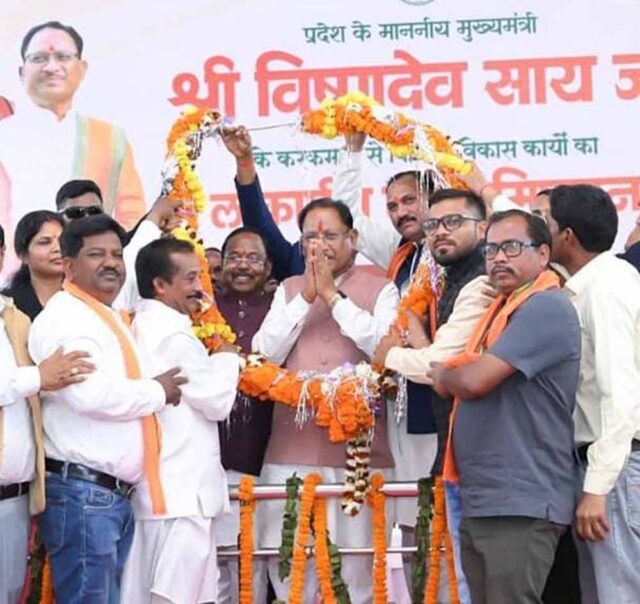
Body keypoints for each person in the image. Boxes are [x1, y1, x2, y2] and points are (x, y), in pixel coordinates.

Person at [28, 215, 187, 602]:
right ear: (69, 266)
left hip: (106, 496)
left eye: (117, 254)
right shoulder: (65, 318)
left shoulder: (104, 314)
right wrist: (157, 391)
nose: (111, 263)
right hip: (84, 495)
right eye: (96, 254)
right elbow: (89, 395)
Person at [430, 210, 581, 604]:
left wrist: (446, 374)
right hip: (486, 495)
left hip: (520, 498)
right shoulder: (499, 310)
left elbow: (474, 380)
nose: (498, 257)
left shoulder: (545, 307)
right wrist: (455, 372)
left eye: (511, 247)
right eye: (491, 249)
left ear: (544, 254)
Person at [253, 197, 399, 602]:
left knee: (356, 571)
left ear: (353, 238)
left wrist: (333, 297)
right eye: (310, 238)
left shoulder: (382, 288)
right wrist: (306, 297)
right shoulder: (288, 289)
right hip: (290, 451)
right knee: (290, 565)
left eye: (330, 236)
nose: (319, 246)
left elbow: (383, 349)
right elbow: (265, 354)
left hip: (360, 456)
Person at [121, 237, 239, 603]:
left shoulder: (143, 325)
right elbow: (217, 401)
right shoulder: (173, 337)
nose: (199, 287)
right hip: (182, 495)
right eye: (189, 278)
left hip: (167, 492)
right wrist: (227, 357)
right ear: (160, 284)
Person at [547, 184, 640, 603]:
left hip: (616, 469)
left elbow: (621, 396)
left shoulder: (605, 290)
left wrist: (598, 488)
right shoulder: (596, 283)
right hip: (606, 467)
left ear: (567, 236)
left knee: (621, 593)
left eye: (546, 223)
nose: (540, 233)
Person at [0, 221, 93, 603]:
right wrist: (38, 377)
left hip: (17, 497)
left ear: (2, 255)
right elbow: (30, 382)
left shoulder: (14, 318)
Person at [0, 21, 146, 235]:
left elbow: (132, 216)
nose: (51, 67)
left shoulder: (110, 138)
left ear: (82, 68)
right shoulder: (4, 135)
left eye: (63, 57)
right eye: (39, 58)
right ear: (22, 72)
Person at [214, 227, 274, 603]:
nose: (243, 266)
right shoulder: (200, 308)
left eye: (253, 258)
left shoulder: (279, 309)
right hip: (209, 459)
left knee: (254, 565)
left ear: (268, 269)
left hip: (263, 458)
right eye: (234, 257)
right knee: (214, 567)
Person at [55, 178, 180, 311]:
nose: (87, 218)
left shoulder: (122, 242)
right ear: (69, 266)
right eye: (76, 213)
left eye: (94, 211)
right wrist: (156, 216)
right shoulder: (52, 260)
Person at [2, 210, 64, 320]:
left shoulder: (84, 296)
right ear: (23, 255)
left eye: (63, 241)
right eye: (45, 242)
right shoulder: (7, 304)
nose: (57, 248)